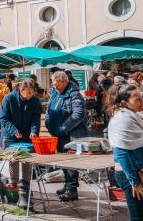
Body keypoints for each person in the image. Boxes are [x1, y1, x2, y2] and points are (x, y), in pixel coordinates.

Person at [106, 84, 143, 221]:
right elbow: (121, 153)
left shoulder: (134, 115)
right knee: (139, 217)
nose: (142, 102)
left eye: (142, 98)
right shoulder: (122, 119)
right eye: (137, 99)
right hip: (131, 174)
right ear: (124, 102)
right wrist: (135, 182)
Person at [45, 71, 87, 201]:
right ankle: (67, 185)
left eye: (57, 84)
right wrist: (48, 124)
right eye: (53, 84)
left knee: (70, 163)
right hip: (58, 134)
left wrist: (63, 128)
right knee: (63, 162)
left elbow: (78, 114)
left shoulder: (74, 94)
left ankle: (72, 190)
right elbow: (49, 110)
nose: (55, 86)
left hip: (71, 134)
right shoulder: (54, 93)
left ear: (65, 82)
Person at [0, 80, 42, 209]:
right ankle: (15, 188)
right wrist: (13, 130)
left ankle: (26, 188)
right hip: (10, 136)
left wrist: (34, 131)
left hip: (27, 135)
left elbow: (36, 117)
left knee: (27, 161)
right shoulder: (9, 98)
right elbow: (3, 118)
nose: (30, 95)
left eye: (32, 92)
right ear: (20, 91)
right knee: (14, 161)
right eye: (28, 92)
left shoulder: (34, 100)